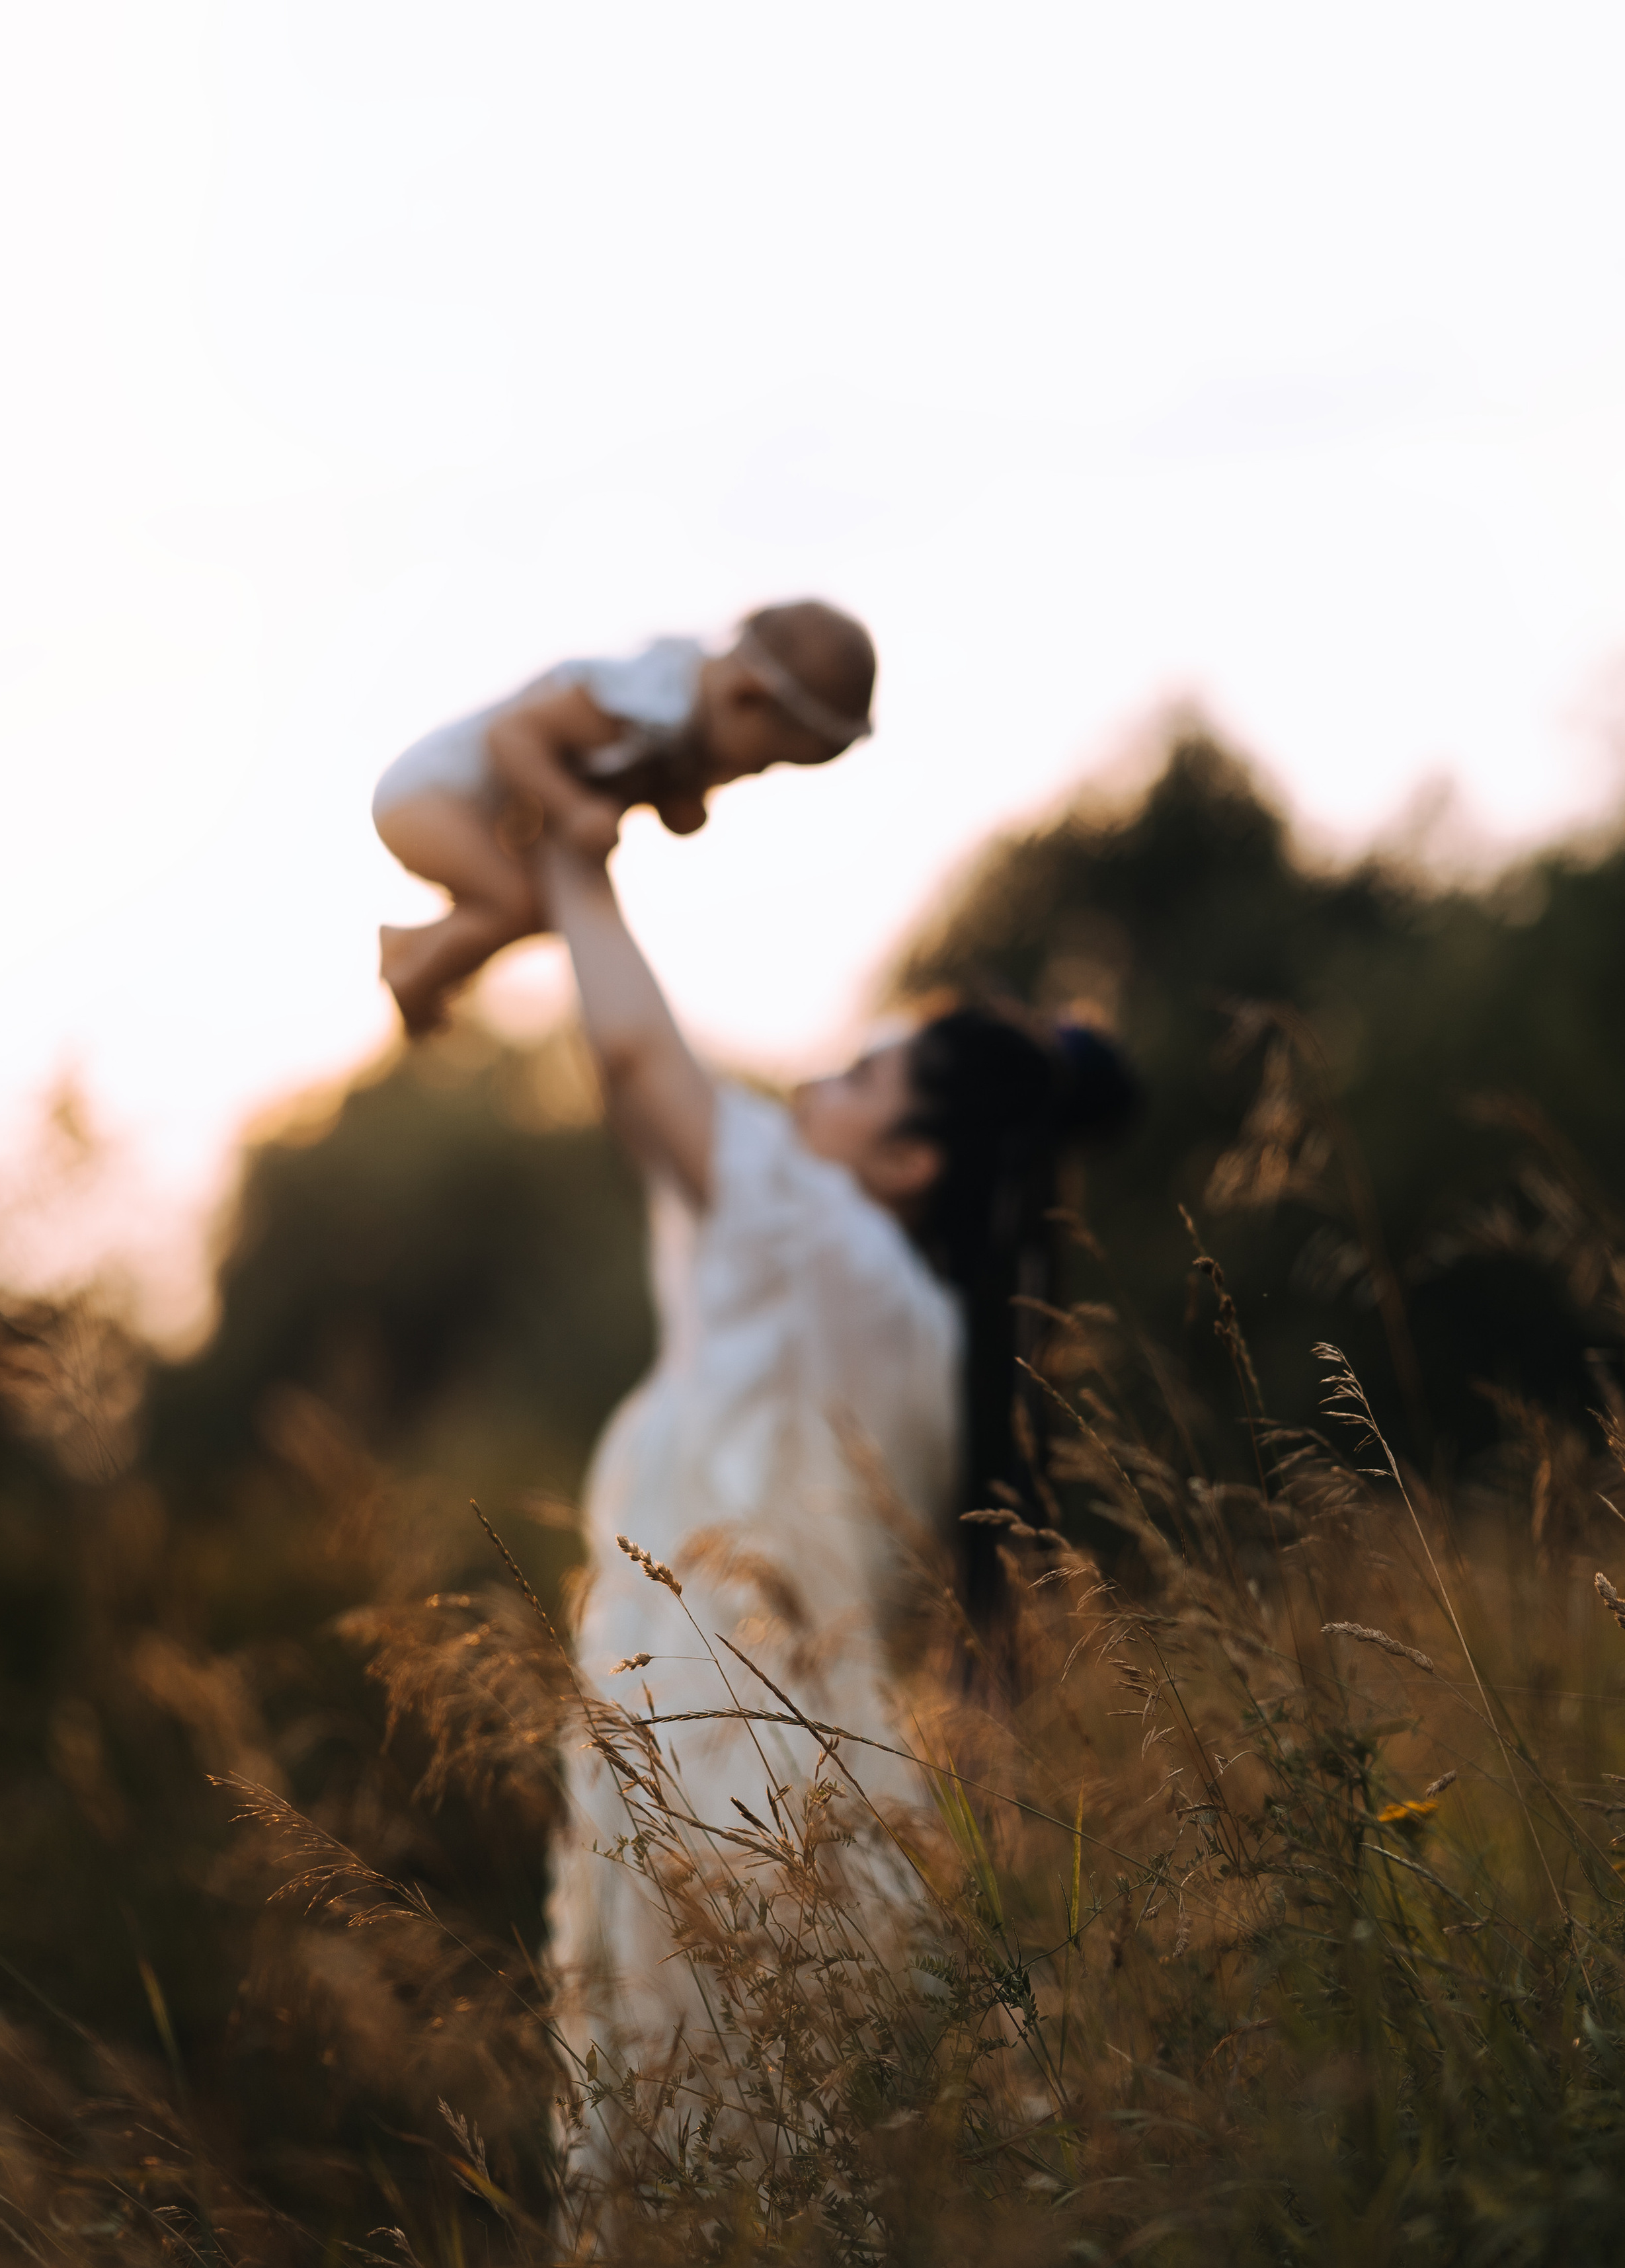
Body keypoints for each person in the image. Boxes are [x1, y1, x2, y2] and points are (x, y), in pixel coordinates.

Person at [532, 820, 1139, 2184]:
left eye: (863, 1073)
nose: (823, 1076)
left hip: (724, 1795)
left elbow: (640, 1067)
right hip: (791, 1790)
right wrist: (551, 913)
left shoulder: (827, 1251)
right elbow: (642, 1100)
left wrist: (577, 865)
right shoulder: (910, 1315)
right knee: (777, 2206)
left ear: (913, 1158)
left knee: (697, 2183)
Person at [372, 600, 876, 1035]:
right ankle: (413, 974)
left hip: (465, 812)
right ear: (745, 697)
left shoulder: (683, 719)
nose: (745, 776)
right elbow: (510, 736)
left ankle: (413, 945)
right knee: (517, 904)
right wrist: (574, 808)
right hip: (427, 797)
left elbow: (671, 805)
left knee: (540, 911)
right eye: (760, 764)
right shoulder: (643, 703)